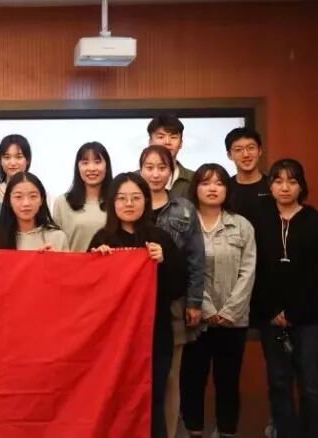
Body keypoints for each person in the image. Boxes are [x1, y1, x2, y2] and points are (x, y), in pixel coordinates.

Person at [88, 172, 185, 438]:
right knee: (114, 400)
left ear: (146, 201)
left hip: (154, 335)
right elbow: (90, 296)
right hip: (111, 338)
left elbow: (178, 288)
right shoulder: (102, 239)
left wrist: (163, 262)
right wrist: (96, 264)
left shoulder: (160, 238)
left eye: (135, 197)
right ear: (112, 203)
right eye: (121, 198)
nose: (129, 204)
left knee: (152, 400)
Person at [254, 159, 318, 438]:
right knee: (279, 383)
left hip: (310, 318)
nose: (284, 187)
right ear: (270, 186)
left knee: (310, 386)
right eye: (278, 181)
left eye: (292, 181)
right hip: (270, 317)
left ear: (301, 186)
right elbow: (254, 270)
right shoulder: (260, 221)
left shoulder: (316, 221)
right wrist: (272, 311)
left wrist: (292, 313)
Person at [180, 164, 256, 438]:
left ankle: (226, 432)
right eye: (205, 183)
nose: (212, 188)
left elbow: (248, 270)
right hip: (196, 320)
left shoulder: (242, 225)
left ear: (227, 189)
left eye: (219, 183)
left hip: (233, 321)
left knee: (228, 384)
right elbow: (186, 270)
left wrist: (230, 311)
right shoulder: (185, 225)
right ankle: (195, 432)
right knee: (192, 383)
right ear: (195, 188)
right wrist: (207, 309)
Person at [139, 144, 205, 438]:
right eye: (149, 167)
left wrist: (194, 302)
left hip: (172, 302)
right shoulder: (129, 202)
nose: (155, 174)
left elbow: (196, 258)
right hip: (133, 306)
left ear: (171, 171)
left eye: (162, 168)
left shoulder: (184, 209)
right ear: (140, 169)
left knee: (169, 377)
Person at [0, 172, 69, 251]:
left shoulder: (58, 237)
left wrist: (56, 258)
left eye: (33, 196)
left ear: (41, 200)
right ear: (9, 201)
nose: (26, 203)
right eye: (18, 197)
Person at [52, 142, 111, 252]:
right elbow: (56, 245)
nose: (91, 168)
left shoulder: (117, 202)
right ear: (78, 167)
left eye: (97, 162)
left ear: (106, 166)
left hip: (111, 263)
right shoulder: (62, 202)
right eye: (85, 163)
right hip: (73, 262)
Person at [225, 126, 271, 229]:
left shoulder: (273, 185)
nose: (246, 154)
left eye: (251, 148)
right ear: (229, 155)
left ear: (260, 151)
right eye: (238, 150)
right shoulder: (225, 188)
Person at [147, 114, 193, 198]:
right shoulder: (135, 179)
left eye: (173, 137)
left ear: (181, 143)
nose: (167, 142)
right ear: (150, 142)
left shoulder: (194, 179)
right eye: (161, 137)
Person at [0, 134, 31, 202]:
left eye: (18, 157)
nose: (13, 163)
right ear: (0, 161)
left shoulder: (40, 194)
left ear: (27, 160)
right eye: (7, 157)